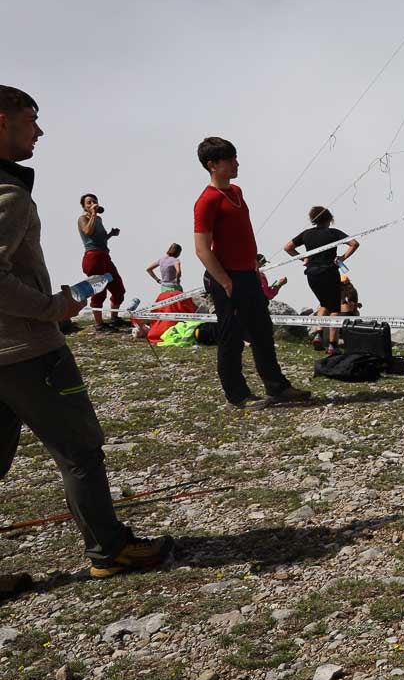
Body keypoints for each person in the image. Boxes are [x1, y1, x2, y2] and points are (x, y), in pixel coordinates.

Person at [0, 86, 173, 578]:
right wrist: (52, 306)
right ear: (2, 122)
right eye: (30, 119)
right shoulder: (9, 196)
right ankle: (110, 550)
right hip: (28, 351)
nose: (39, 130)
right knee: (79, 451)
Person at [193, 137, 311, 408]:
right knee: (231, 336)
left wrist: (252, 265)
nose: (236, 163)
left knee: (261, 331)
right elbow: (201, 248)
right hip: (227, 279)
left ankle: (277, 386)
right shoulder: (206, 201)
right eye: (229, 159)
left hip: (247, 274)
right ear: (212, 165)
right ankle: (237, 394)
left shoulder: (236, 192)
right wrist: (224, 281)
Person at [284, 207, 359, 348]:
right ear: (330, 219)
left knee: (324, 303)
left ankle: (318, 334)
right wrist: (343, 257)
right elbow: (354, 244)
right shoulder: (333, 233)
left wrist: (304, 258)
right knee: (335, 309)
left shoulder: (306, 234)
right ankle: (332, 344)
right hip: (329, 273)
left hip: (312, 275)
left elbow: (287, 247)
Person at [76, 192, 126, 330]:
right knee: (99, 290)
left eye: (95, 201)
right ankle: (99, 324)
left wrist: (110, 235)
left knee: (118, 287)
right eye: (89, 203)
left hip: (104, 256)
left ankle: (114, 318)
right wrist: (92, 214)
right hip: (92, 257)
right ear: (84, 207)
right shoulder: (82, 219)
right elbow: (87, 232)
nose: (93, 204)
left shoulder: (99, 220)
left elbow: (100, 239)